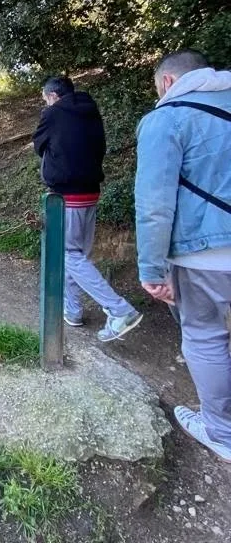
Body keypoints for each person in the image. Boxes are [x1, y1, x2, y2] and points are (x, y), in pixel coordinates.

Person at [135, 49, 231, 462]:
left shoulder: (167, 118)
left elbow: (155, 204)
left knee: (205, 336)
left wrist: (152, 269)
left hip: (204, 253)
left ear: (168, 82)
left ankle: (222, 432)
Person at [33, 75, 141, 341]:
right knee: (77, 254)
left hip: (67, 193)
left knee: (69, 255)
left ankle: (119, 309)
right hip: (91, 191)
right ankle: (74, 310)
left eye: (45, 98)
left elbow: (39, 145)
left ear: (53, 95)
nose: (45, 102)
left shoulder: (53, 113)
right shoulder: (91, 111)